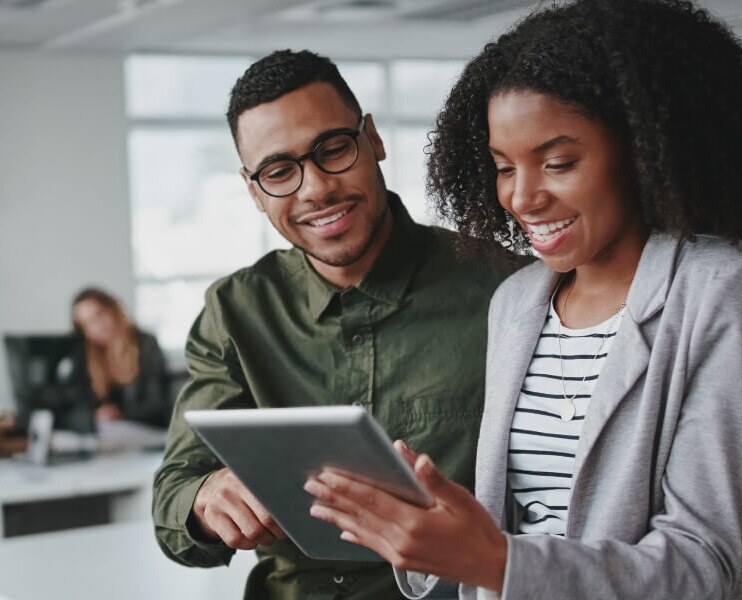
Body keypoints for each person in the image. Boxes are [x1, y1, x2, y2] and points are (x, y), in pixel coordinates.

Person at [302, 1, 742, 599]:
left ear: (643, 150)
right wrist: (438, 529)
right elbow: (519, 536)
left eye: (558, 162)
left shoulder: (730, 291)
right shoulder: (516, 302)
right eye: (503, 167)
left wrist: (495, 559)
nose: (523, 197)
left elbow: (700, 566)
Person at [151, 50, 525, 599]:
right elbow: (173, 499)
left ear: (371, 138)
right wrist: (208, 497)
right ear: (254, 190)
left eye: (332, 150)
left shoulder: (505, 290)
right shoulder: (233, 312)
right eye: (279, 171)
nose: (315, 189)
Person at [72, 287, 170, 428]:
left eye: (98, 315)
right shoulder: (85, 357)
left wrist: (121, 414)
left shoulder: (145, 344)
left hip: (146, 431)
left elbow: (158, 404)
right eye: (87, 323)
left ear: (112, 309)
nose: (96, 325)